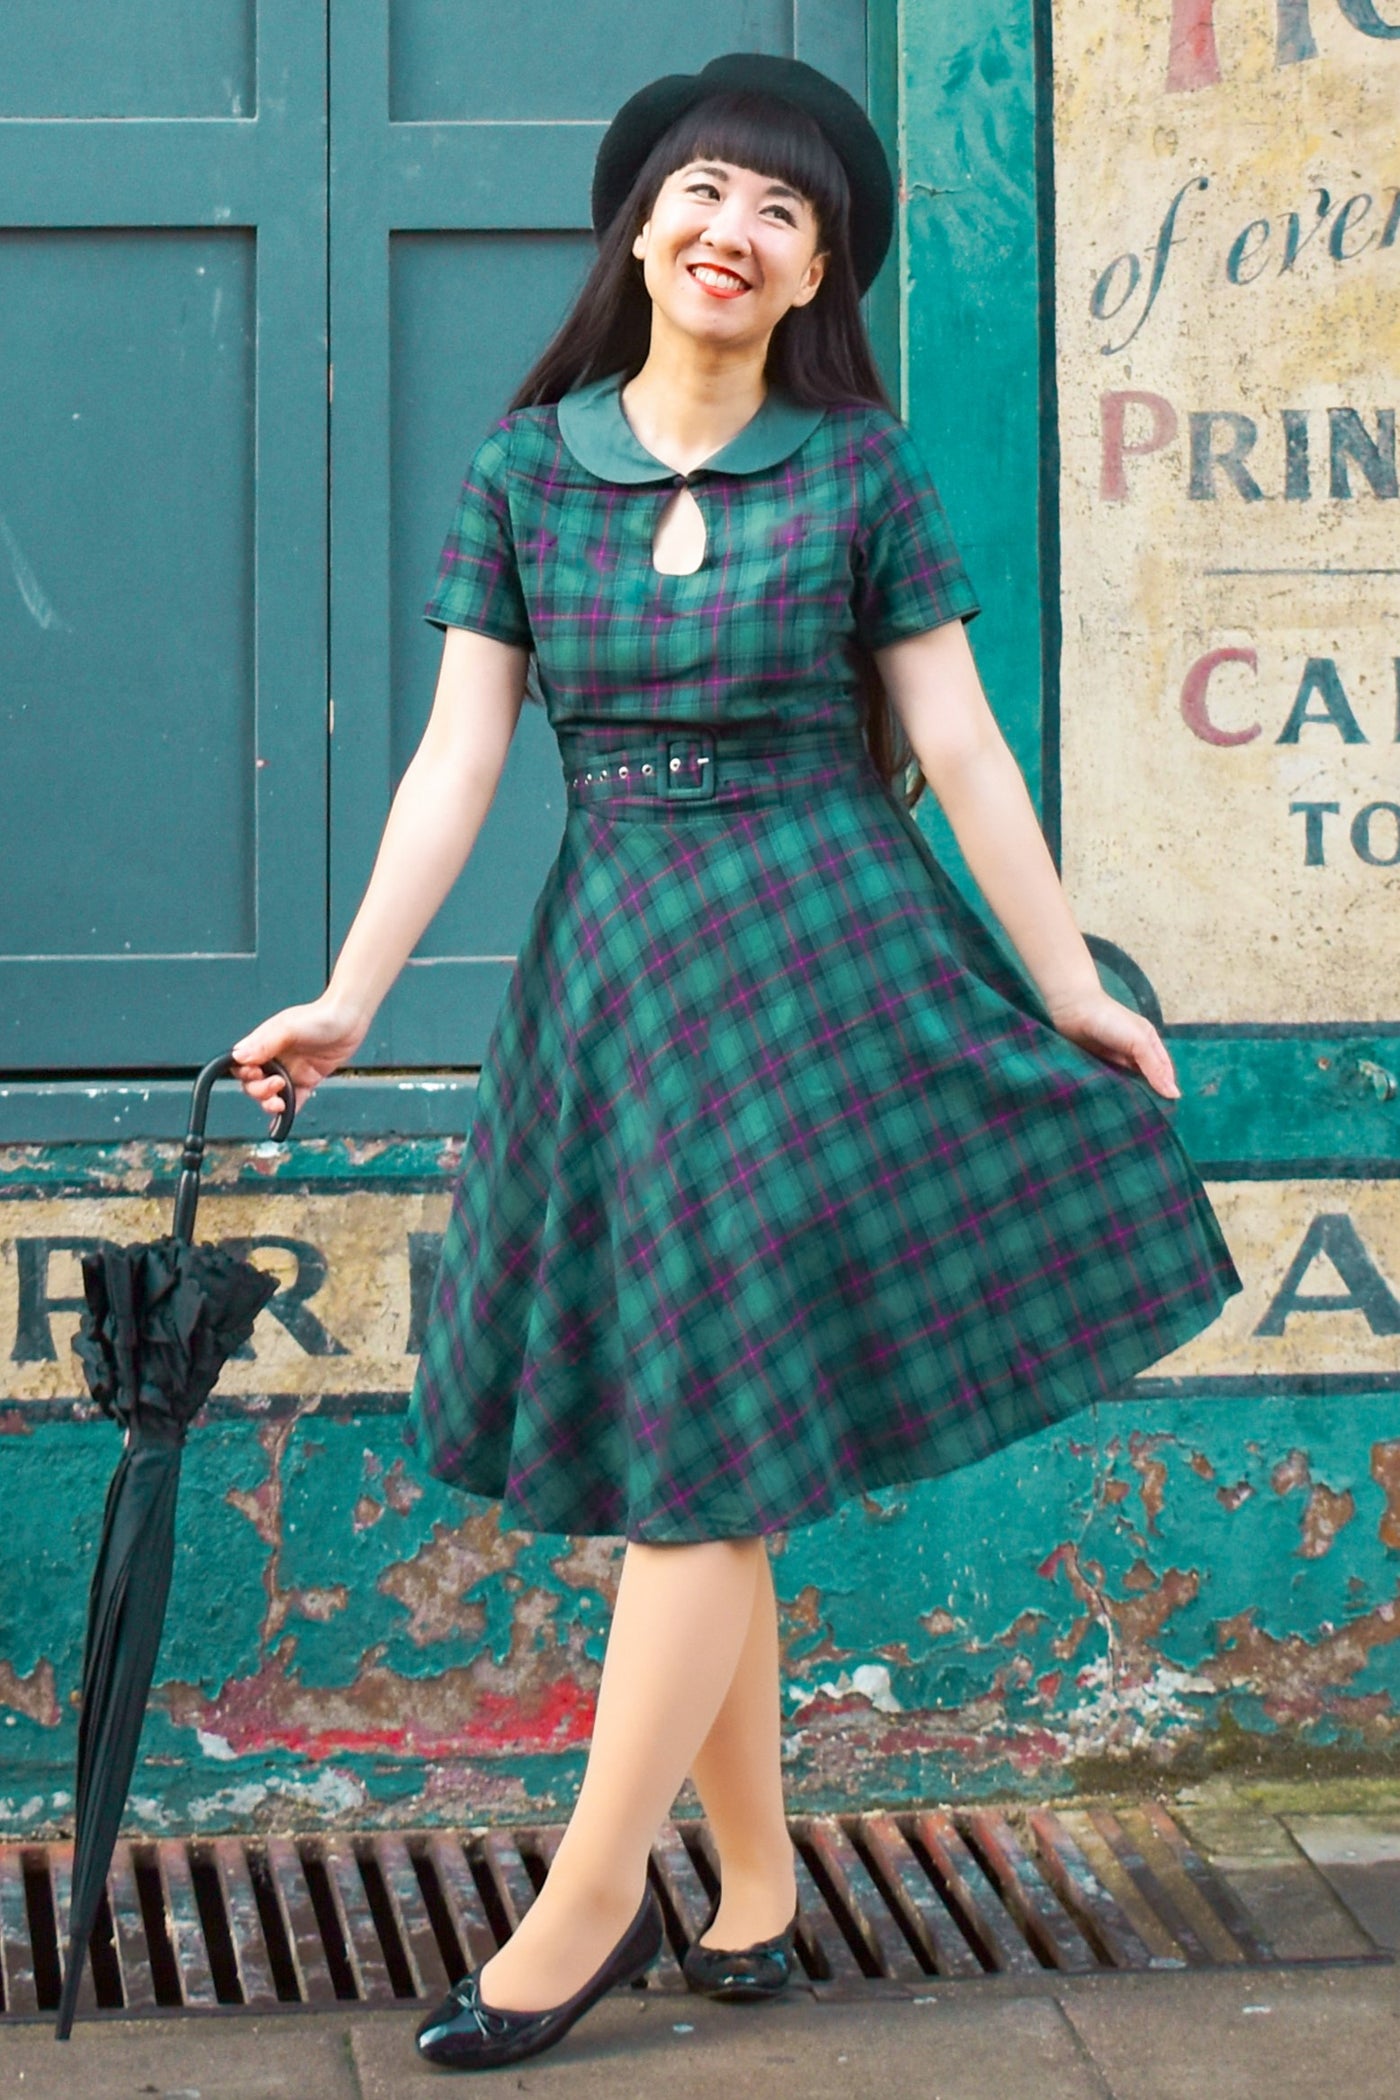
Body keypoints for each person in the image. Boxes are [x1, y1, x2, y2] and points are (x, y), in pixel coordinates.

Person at [231, 51, 1243, 2073]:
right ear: (640, 225)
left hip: (825, 970)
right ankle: (759, 1893)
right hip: (619, 980)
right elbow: (458, 757)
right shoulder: (528, 471)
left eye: (784, 214)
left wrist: (1066, 986)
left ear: (813, 278)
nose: (734, 230)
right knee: (714, 1433)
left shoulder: (856, 470)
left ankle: (590, 1899)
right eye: (707, 192)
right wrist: (347, 991)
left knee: (702, 1446)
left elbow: (954, 748)